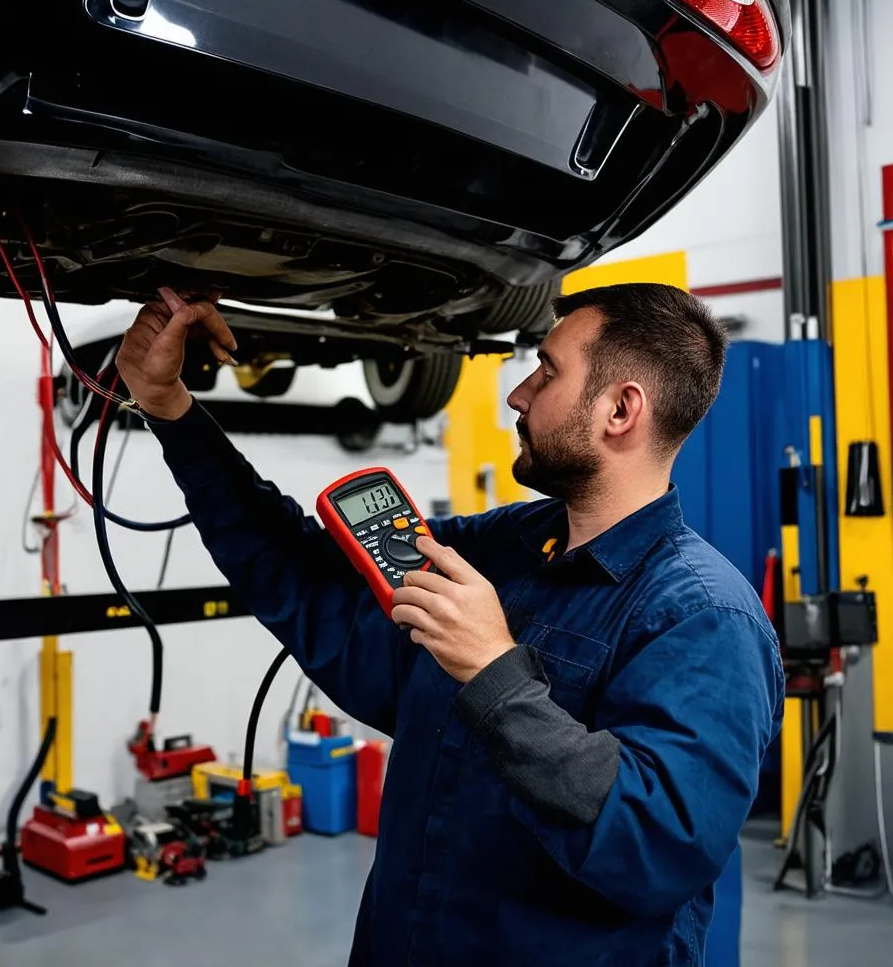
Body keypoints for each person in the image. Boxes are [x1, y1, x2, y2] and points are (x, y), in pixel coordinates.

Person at [116, 281, 784, 966]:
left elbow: (658, 847)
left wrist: (496, 673)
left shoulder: (705, 618)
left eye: (548, 370)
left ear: (620, 409)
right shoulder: (509, 548)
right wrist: (172, 410)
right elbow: (317, 580)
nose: (519, 394)